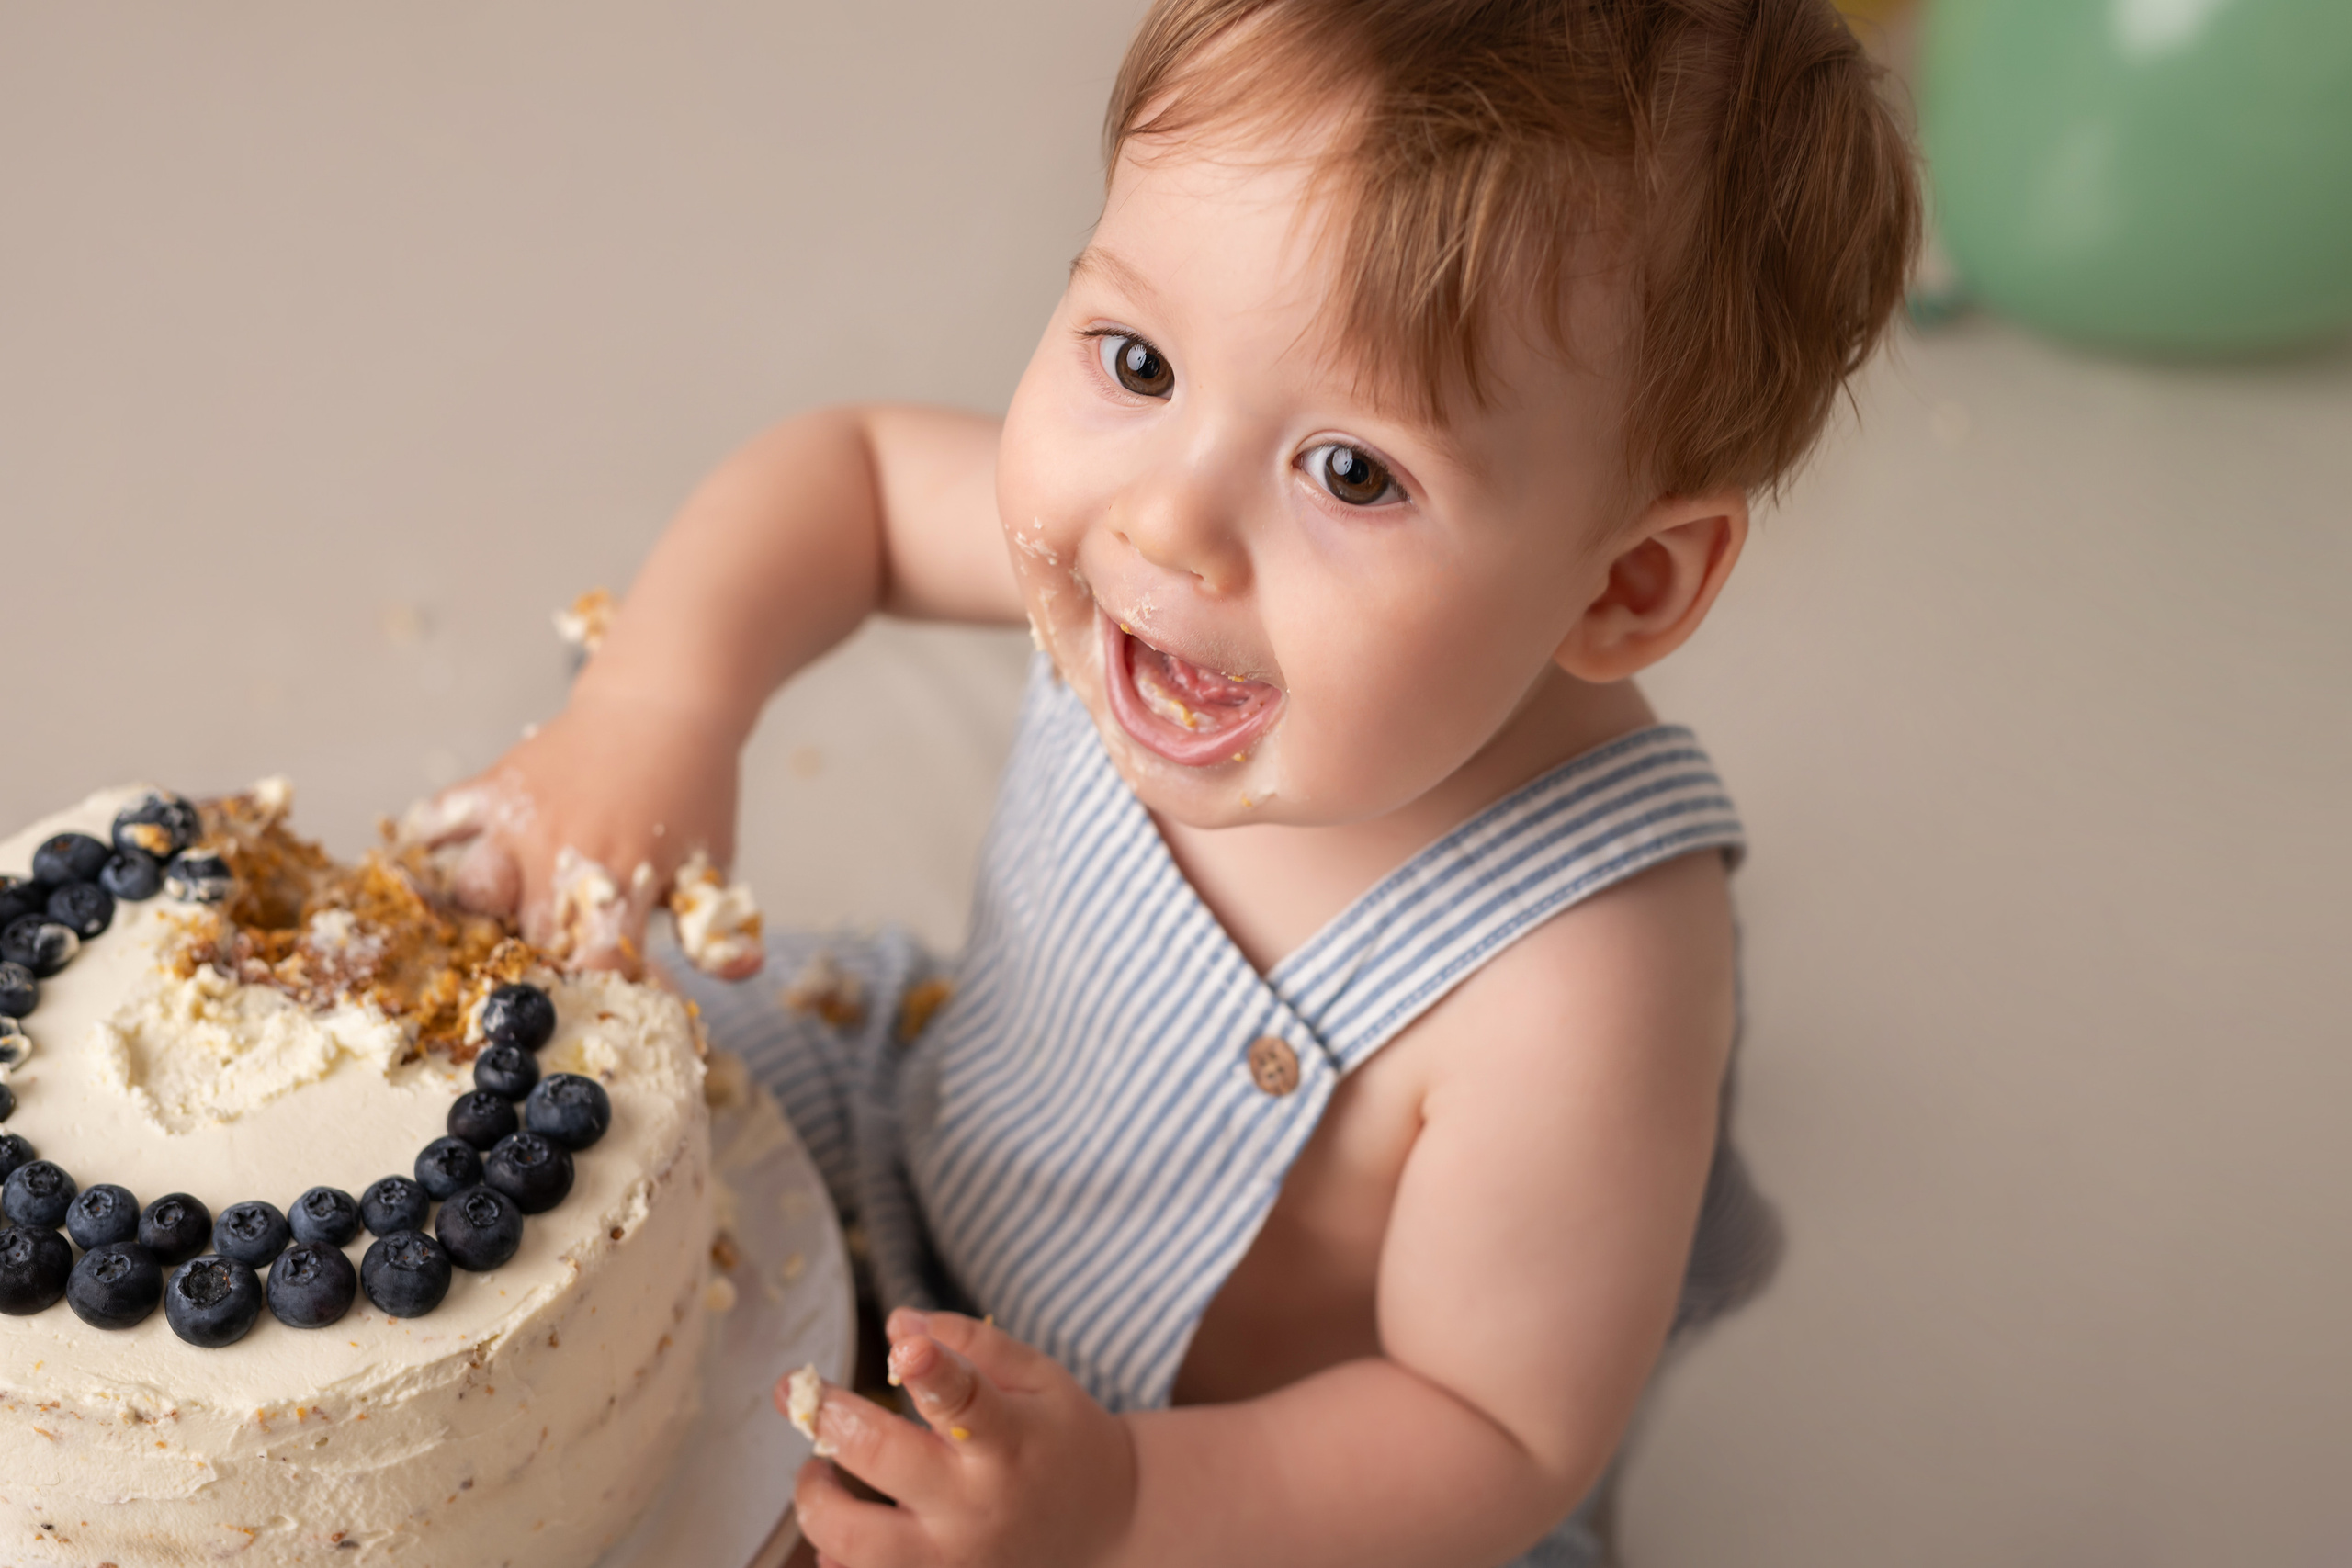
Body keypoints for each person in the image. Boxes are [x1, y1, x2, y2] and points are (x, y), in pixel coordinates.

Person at [414, 1, 1917, 1562]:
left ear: (1627, 587)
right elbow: (854, 480)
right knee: (578, 1110)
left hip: (1226, 1479)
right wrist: (661, 702)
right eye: (1137, 361)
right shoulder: (1174, 574)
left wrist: (1127, 1507)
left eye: (1353, 472)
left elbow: (1493, 1430)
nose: (1165, 527)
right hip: (912, 1147)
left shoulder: (1584, 969)